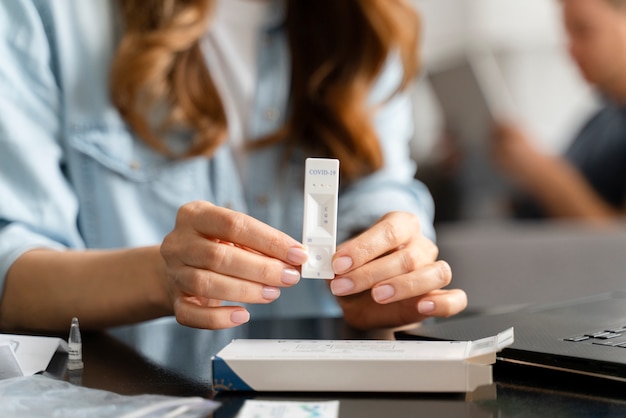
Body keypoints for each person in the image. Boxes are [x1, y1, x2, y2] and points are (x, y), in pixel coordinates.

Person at [0, 0, 467, 333]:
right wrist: (163, 277)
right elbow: (11, 273)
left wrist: (388, 270)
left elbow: (379, 192)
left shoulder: (368, 23)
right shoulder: (51, 13)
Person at [492, 0, 626, 221]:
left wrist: (539, 170)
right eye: (568, 34)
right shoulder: (599, 122)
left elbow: (617, 242)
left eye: (584, 30)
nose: (570, 49)